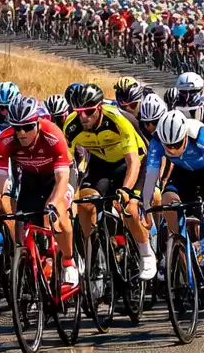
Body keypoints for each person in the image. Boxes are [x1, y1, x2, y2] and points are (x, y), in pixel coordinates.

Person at [139, 109, 204, 307]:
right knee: (168, 200)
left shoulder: (198, 134)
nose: (172, 150)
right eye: (168, 146)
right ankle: (180, 246)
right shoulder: (157, 141)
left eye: (177, 144)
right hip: (184, 172)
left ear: (184, 136)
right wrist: (145, 208)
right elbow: (150, 179)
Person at [63, 83, 154, 280]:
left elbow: (133, 163)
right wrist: (68, 193)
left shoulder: (118, 120)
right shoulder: (71, 126)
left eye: (89, 111)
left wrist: (126, 190)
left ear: (100, 108)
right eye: (79, 112)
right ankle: (91, 254)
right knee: (85, 204)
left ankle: (146, 253)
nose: (83, 117)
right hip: (101, 164)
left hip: (133, 162)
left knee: (129, 209)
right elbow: (67, 165)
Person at [0, 96, 78, 291]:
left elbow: (61, 180)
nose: (21, 133)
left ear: (38, 123)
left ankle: (68, 262)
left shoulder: (53, 135)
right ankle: (31, 270)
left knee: (57, 216)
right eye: (17, 128)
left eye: (28, 127)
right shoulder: (5, 140)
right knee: (22, 225)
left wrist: (53, 204)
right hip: (32, 178)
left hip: (59, 176)